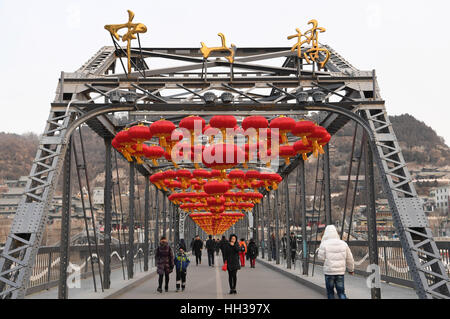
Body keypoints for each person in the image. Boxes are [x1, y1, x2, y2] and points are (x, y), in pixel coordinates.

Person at [317, 225, 355, 299]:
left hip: (329, 272)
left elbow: (320, 258)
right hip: (340, 272)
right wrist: (351, 270)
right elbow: (350, 258)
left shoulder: (324, 244)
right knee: (341, 293)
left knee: (330, 293)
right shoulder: (343, 244)